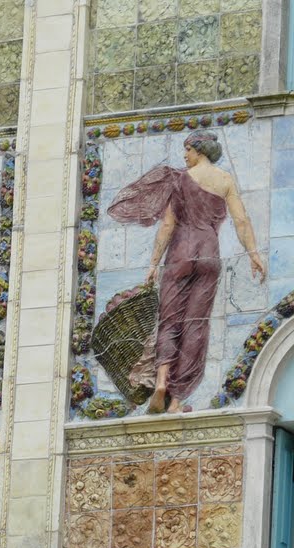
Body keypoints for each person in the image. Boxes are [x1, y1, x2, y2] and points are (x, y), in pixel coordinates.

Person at [108, 130, 266, 413]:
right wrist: (254, 254)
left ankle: (161, 382)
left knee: (170, 320)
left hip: (181, 251)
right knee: (196, 324)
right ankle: (177, 400)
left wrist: (154, 263)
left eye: (188, 150)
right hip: (208, 252)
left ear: (198, 150)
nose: (184, 155)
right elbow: (241, 220)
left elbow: (167, 225)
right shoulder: (225, 180)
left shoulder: (179, 179)